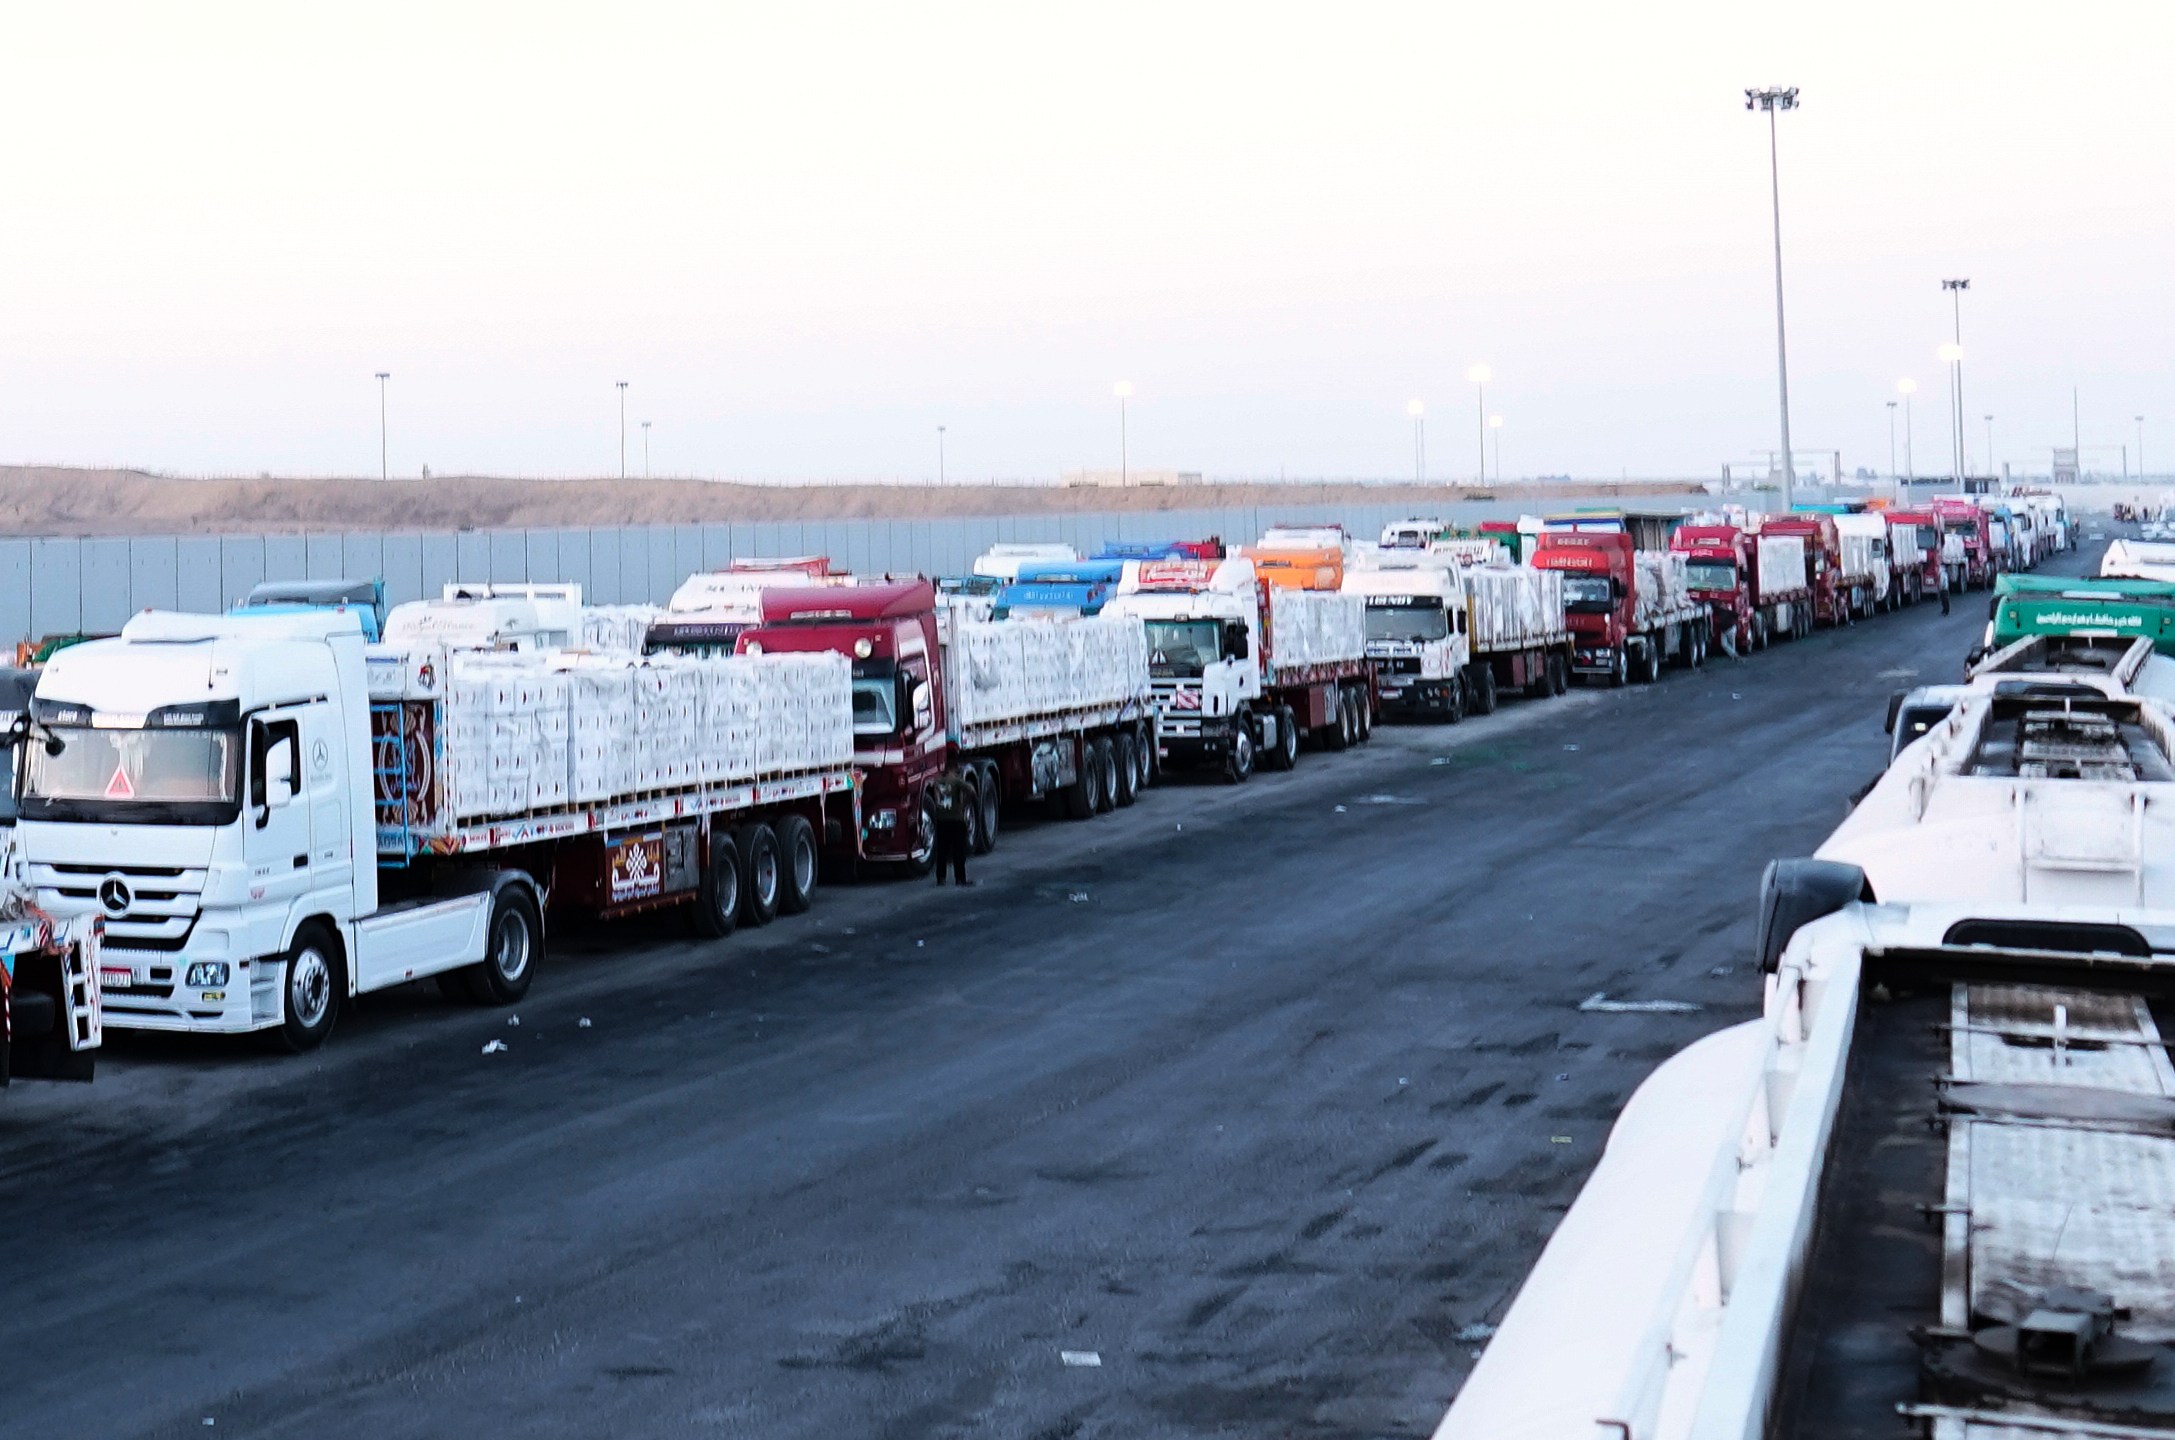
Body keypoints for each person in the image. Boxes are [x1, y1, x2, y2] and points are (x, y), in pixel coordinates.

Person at [925, 765, 973, 886]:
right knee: (958, 851)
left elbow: (935, 797)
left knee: (942, 851)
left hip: (941, 820)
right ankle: (960, 878)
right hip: (956, 819)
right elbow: (971, 790)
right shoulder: (956, 781)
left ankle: (941, 878)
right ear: (954, 770)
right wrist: (964, 805)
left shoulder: (937, 781)